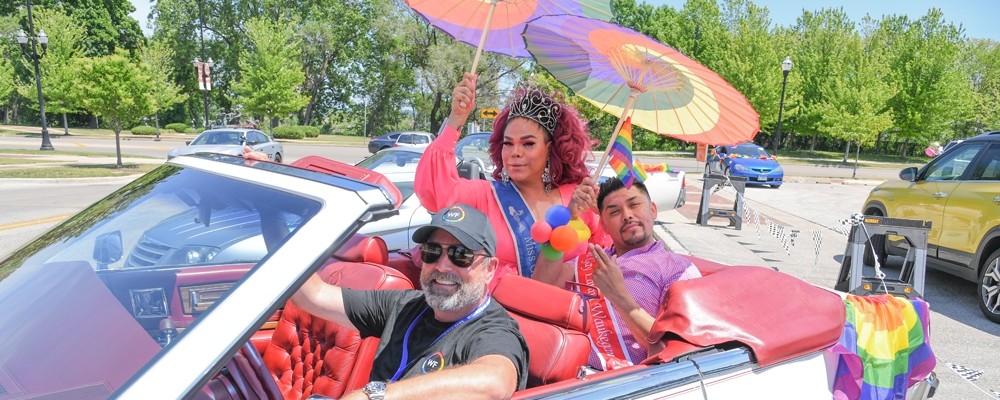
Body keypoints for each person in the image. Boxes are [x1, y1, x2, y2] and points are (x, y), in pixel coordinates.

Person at [291, 203, 529, 399]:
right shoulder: (406, 305)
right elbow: (314, 296)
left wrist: (376, 395)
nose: (442, 266)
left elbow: (494, 382)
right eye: (432, 252)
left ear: (490, 269)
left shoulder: (494, 330)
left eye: (461, 255)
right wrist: (275, 212)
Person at [415, 73, 602, 286]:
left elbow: (605, 252)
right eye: (508, 143)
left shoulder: (576, 196)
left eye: (528, 144)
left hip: (576, 313)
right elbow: (434, 192)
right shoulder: (485, 195)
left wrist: (601, 209)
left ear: (551, 149)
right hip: (507, 315)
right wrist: (456, 118)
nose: (515, 152)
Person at [533, 178, 701, 370]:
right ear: (603, 225)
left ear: (653, 210)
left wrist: (619, 296)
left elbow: (674, 350)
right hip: (560, 371)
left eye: (634, 204)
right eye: (614, 211)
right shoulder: (594, 259)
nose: (627, 215)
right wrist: (566, 220)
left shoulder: (677, 269)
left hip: (624, 383)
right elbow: (540, 289)